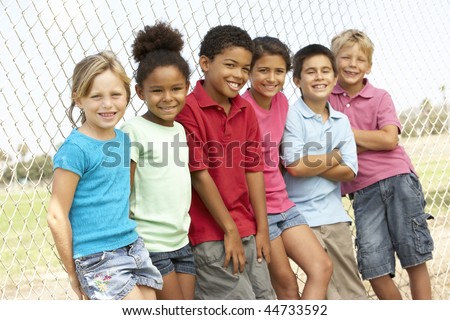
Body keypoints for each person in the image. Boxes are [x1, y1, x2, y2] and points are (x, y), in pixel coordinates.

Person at [47, 51, 163, 300]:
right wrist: (72, 272)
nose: (108, 104)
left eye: (115, 95)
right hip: (96, 255)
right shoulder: (75, 149)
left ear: (127, 95)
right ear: (78, 99)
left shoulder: (123, 141)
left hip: (133, 246)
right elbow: (57, 215)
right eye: (96, 96)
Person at [329, 29, 434, 300]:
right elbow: (328, 147)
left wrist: (347, 137)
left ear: (369, 66)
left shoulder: (380, 97)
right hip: (362, 189)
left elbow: (389, 139)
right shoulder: (328, 99)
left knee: (413, 256)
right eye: (345, 57)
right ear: (333, 60)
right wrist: (362, 142)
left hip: (398, 179)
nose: (353, 64)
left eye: (360, 59)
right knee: (374, 266)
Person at [175, 25, 275, 300]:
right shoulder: (187, 109)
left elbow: (254, 169)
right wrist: (229, 229)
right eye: (230, 65)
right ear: (205, 63)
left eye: (245, 68)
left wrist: (262, 230)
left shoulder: (245, 110)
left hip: (246, 227)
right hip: (209, 232)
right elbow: (199, 174)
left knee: (266, 298)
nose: (239, 75)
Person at [242, 36, 332, 299]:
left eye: (279, 71)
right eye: (263, 70)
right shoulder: (241, 108)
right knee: (286, 284)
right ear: (249, 72)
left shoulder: (282, 103)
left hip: (284, 203)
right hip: (258, 209)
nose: (271, 78)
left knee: (322, 267)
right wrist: (257, 224)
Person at [281, 44, 367, 300]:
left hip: (334, 216)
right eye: (310, 72)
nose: (319, 77)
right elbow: (295, 166)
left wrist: (312, 162)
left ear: (335, 77)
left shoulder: (342, 121)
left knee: (350, 290)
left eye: (325, 71)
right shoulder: (292, 115)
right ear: (297, 80)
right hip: (299, 217)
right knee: (322, 286)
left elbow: (350, 170)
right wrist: (334, 156)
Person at [120, 22, 195, 300]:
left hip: (181, 240)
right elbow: (122, 191)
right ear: (140, 92)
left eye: (176, 88)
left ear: (187, 87)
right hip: (150, 243)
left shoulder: (179, 129)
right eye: (157, 91)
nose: (167, 98)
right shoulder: (133, 130)